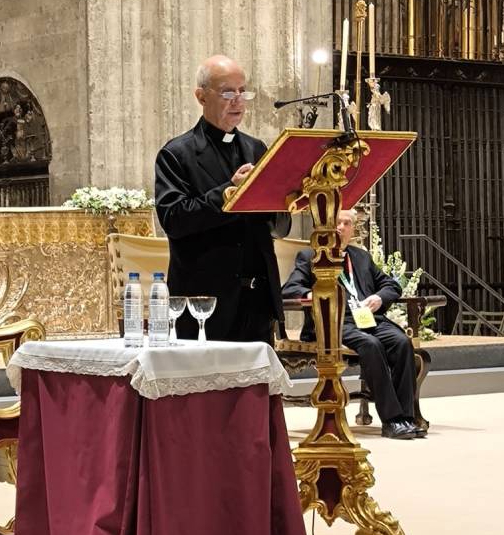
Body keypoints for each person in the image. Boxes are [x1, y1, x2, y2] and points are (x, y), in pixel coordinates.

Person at [154, 54, 289, 343]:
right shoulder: (177, 154)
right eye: (228, 92)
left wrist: (286, 197)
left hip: (257, 301)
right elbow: (174, 219)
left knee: (256, 387)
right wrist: (229, 192)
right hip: (205, 303)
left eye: (243, 91)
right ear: (201, 96)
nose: (237, 100)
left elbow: (278, 226)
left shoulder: (257, 149)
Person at [282, 209, 423, 440]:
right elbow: (290, 289)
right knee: (371, 345)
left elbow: (392, 286)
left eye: (347, 223)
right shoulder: (310, 256)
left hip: (368, 318)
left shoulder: (361, 257)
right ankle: (392, 420)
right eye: (336, 222)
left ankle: (406, 418)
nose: (341, 227)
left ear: (352, 230)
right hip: (333, 323)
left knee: (401, 342)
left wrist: (379, 298)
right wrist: (315, 295)